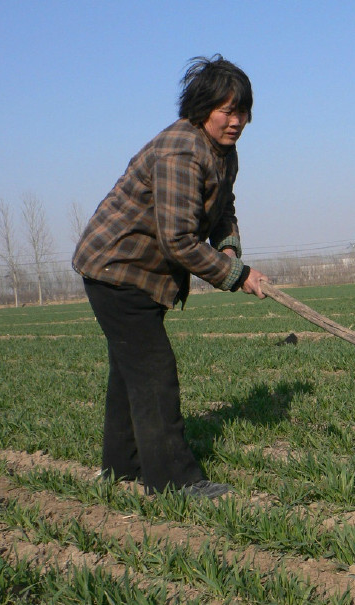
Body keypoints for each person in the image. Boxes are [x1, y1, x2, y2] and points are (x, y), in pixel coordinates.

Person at [72, 55, 266, 499]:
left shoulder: (223, 152)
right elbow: (178, 239)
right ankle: (174, 481)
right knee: (154, 372)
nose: (237, 121)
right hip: (117, 268)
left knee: (130, 373)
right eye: (228, 111)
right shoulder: (182, 150)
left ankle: (121, 468)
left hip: (136, 272)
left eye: (244, 111)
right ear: (203, 109)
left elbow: (221, 210)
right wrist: (237, 275)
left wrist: (231, 248)